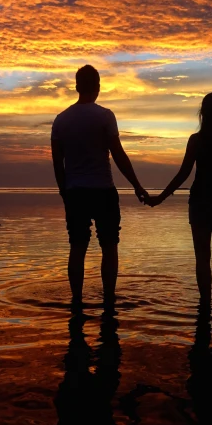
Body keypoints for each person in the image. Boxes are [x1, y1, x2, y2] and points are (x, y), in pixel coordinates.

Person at [51, 65, 148, 302]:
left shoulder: (60, 120)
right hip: (103, 191)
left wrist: (65, 193)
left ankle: (76, 301)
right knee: (109, 246)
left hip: (75, 193)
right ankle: (109, 299)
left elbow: (57, 164)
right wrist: (137, 185)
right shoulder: (105, 116)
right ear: (98, 87)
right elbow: (118, 154)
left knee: (77, 247)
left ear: (76, 87)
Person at [148, 92, 212, 303]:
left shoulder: (196, 140)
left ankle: (205, 305)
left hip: (200, 204)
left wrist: (160, 198)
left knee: (202, 259)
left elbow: (183, 174)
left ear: (203, 113)